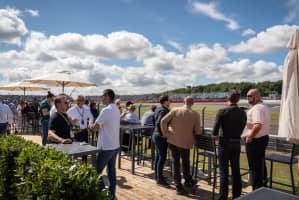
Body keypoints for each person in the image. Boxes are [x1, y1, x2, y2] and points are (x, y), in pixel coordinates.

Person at [161, 96, 200, 195]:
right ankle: (187, 181)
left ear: (184, 102)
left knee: (176, 163)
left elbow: (163, 121)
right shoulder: (195, 114)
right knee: (185, 163)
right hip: (185, 143)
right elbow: (198, 131)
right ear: (193, 103)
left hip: (173, 141)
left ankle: (179, 186)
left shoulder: (175, 110)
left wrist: (165, 133)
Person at [212, 90, 247, 200]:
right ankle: (237, 195)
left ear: (228, 99)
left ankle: (223, 197)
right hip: (237, 143)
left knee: (224, 172)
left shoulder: (222, 111)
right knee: (236, 170)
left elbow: (214, 132)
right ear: (238, 100)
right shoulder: (242, 112)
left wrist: (219, 138)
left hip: (225, 144)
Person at [91, 89, 120, 200]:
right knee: (111, 172)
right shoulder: (116, 109)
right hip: (115, 145)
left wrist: (91, 126)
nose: (101, 98)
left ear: (108, 96)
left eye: (103, 96)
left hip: (106, 146)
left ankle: (103, 195)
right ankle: (111, 194)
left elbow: (96, 127)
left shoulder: (106, 110)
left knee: (96, 172)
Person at [243, 88, 270, 190]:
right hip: (262, 139)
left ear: (257, 96)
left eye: (250, 96)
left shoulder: (257, 108)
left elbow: (257, 125)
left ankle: (257, 190)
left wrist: (250, 136)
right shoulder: (263, 106)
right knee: (260, 165)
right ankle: (263, 187)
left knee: (254, 167)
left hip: (255, 141)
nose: (248, 98)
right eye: (247, 96)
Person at [152, 95, 171, 186]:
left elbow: (154, 121)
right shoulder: (163, 110)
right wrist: (163, 134)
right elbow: (160, 122)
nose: (170, 102)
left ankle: (158, 176)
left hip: (155, 135)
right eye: (169, 100)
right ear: (165, 101)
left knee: (158, 156)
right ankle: (159, 178)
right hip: (160, 137)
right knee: (162, 157)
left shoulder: (158, 109)